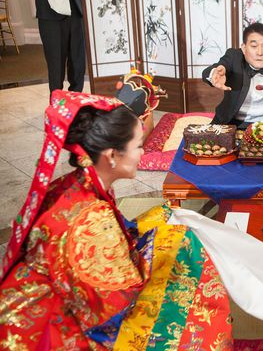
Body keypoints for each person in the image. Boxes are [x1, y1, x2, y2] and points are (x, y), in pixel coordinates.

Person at [0, 91, 232, 349]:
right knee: (182, 253)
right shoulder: (91, 216)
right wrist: (162, 251)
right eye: (138, 146)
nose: (143, 152)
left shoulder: (78, 182)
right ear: (112, 155)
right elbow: (116, 297)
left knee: (169, 219)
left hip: (53, 290)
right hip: (52, 324)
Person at [36, 0, 86, 94]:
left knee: (78, 60)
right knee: (55, 61)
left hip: (75, 7)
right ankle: (56, 103)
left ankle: (76, 100)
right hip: (49, 13)